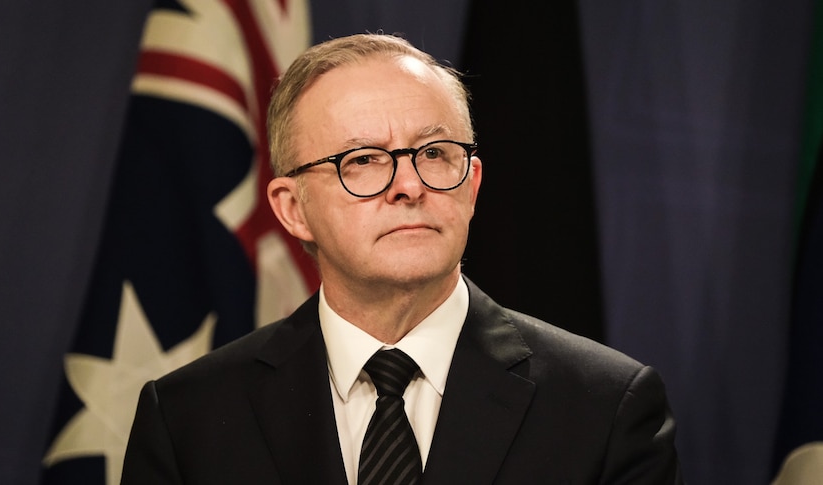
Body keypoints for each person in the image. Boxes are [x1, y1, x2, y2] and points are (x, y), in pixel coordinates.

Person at [121, 33, 683, 484]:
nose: (409, 185)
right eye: (363, 160)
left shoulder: (605, 407)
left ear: (471, 186)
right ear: (292, 209)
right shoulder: (187, 418)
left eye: (435, 153)